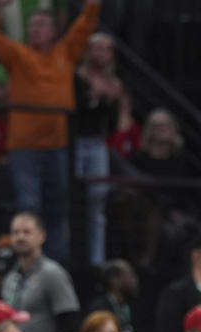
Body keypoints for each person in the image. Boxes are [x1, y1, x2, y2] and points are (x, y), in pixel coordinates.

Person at [0, 0, 101, 263]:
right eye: (32, 26)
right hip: (24, 148)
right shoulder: (18, 55)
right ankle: (28, 260)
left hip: (57, 147)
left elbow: (85, 25)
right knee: (29, 206)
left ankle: (56, 263)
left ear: (52, 31)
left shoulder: (65, 53)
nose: (35, 30)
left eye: (41, 25)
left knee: (58, 209)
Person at [75, 32, 121, 266]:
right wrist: (95, 97)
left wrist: (109, 101)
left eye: (105, 49)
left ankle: (96, 259)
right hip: (75, 142)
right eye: (96, 48)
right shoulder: (78, 78)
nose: (100, 54)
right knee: (72, 197)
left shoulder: (114, 84)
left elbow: (113, 125)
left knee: (97, 201)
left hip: (97, 144)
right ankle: (72, 252)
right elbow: (77, 113)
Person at [1, 211, 80, 332]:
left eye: (27, 232)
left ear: (41, 236)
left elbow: (69, 320)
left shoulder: (52, 273)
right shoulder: (9, 278)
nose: (20, 237)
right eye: (15, 232)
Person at [85, 259, 142, 332]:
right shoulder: (99, 309)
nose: (134, 280)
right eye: (130, 275)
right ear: (114, 280)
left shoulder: (131, 305)